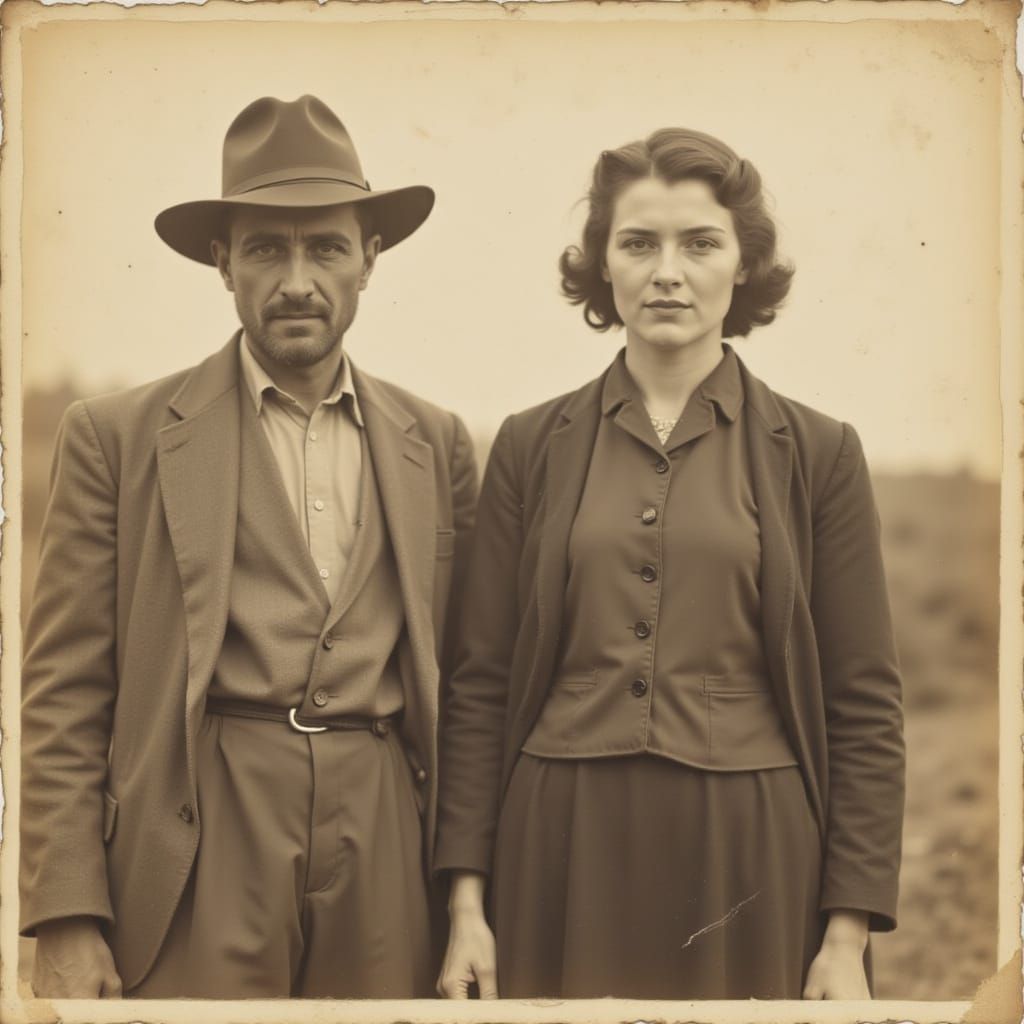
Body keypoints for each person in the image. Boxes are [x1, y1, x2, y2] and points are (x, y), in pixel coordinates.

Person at [20, 94, 477, 999]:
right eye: (267, 249)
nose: (297, 281)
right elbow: (65, 692)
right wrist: (68, 911)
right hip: (201, 822)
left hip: (384, 828)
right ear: (223, 262)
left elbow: (466, 688)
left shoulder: (436, 442)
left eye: (327, 249)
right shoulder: (117, 438)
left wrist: (467, 895)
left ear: (370, 259)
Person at [434, 127, 904, 1000]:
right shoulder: (530, 447)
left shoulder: (819, 452)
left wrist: (847, 934)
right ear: (602, 262)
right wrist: (467, 905)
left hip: (751, 854)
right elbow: (480, 684)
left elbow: (864, 702)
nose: (667, 272)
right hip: (560, 845)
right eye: (639, 243)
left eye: (700, 244)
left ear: (744, 263)